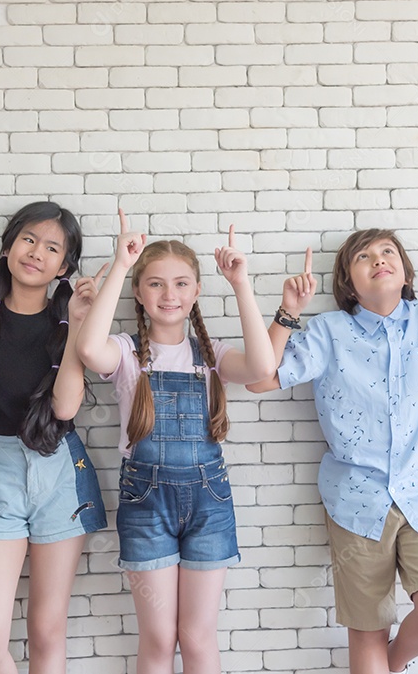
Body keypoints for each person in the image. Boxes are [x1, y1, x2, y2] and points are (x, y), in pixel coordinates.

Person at [248, 229, 418, 674]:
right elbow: (261, 377)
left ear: (404, 271)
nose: (378, 259)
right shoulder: (328, 331)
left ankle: (393, 663)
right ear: (348, 281)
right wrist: (288, 313)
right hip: (357, 501)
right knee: (367, 630)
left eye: (388, 252)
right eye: (363, 256)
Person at [76, 209, 275, 674]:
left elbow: (264, 367)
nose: (170, 294)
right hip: (145, 503)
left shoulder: (213, 356)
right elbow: (88, 349)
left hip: (210, 503)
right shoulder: (125, 353)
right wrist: (121, 264)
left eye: (182, 283)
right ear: (140, 294)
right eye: (156, 283)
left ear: (197, 291)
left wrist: (240, 283)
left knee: (198, 636)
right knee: (160, 637)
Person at [0, 203, 108, 674]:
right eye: (30, 239)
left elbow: (65, 407)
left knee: (46, 630)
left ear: (65, 267)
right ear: (9, 244)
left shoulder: (68, 320)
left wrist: (75, 321)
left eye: (53, 248)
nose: (37, 253)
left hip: (60, 473)